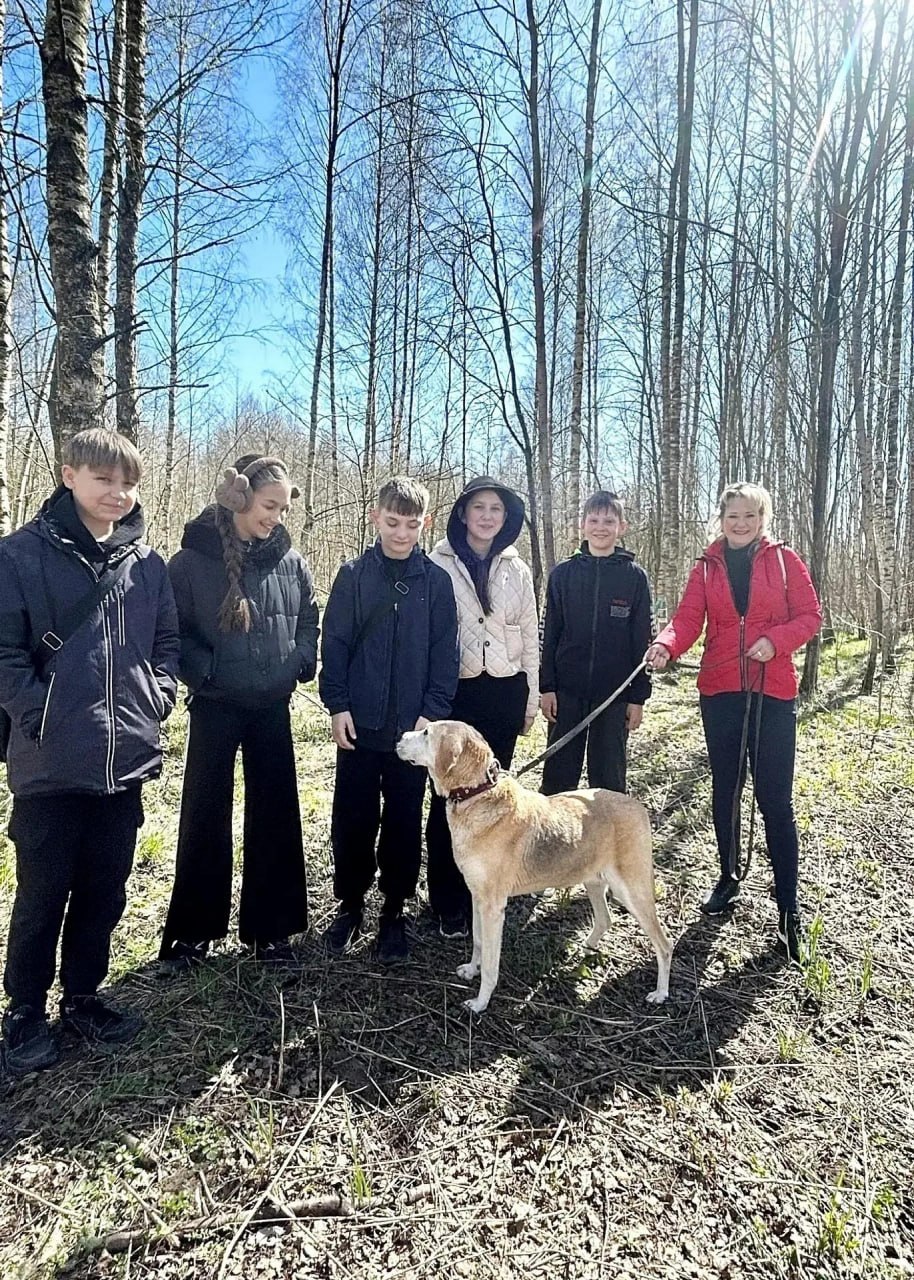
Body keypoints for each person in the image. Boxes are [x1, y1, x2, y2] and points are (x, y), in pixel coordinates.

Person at [0, 428, 180, 1075]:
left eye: (128, 482)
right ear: (68, 474)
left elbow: (166, 643)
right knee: (42, 894)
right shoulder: (19, 556)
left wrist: (158, 697)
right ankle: (24, 1011)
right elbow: (4, 653)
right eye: (104, 479)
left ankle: (82, 997)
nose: (117, 493)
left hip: (123, 764)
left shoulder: (148, 564)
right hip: (50, 765)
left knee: (105, 891)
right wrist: (40, 713)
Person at [645, 481, 821, 963]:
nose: (740, 524)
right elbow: (687, 619)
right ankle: (728, 876)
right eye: (732, 516)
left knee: (775, 800)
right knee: (726, 788)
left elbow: (810, 616)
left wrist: (775, 641)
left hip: (773, 690)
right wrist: (665, 644)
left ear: (763, 519)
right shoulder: (706, 567)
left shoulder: (785, 561)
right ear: (720, 520)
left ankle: (789, 909)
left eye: (749, 516)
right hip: (720, 690)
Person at [159, 455, 318, 969]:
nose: (277, 517)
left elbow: (309, 619)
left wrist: (298, 661)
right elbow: (172, 631)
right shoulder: (189, 562)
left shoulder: (291, 562)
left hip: (271, 705)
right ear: (241, 498)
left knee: (276, 814)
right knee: (204, 815)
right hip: (215, 705)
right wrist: (205, 674)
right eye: (270, 506)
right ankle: (192, 933)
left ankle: (271, 932)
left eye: (283, 509)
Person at [319, 476, 459, 963]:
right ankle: (350, 904)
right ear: (376, 517)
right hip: (359, 725)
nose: (402, 533)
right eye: (393, 522)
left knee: (403, 820)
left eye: (412, 524)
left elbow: (445, 655)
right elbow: (335, 644)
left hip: (411, 732)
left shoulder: (436, 583)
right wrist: (337, 704)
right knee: (352, 818)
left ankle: (395, 909)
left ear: (426, 523)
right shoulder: (353, 575)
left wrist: (430, 716)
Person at [424, 477, 539, 936]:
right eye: (479, 507)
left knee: (494, 800)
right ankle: (445, 901)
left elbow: (530, 636)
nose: (487, 516)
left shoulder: (518, 569)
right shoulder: (437, 563)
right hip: (455, 694)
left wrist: (530, 698)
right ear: (463, 514)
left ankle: (488, 892)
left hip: (505, 693)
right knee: (449, 798)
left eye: (496, 509)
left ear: (506, 518)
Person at [539, 490, 652, 798]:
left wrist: (638, 698)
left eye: (609, 521)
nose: (601, 527)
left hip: (614, 696)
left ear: (622, 527)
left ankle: (608, 830)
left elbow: (643, 641)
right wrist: (547, 687)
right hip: (566, 693)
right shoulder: (563, 574)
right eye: (594, 520)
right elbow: (549, 634)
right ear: (582, 525)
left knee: (608, 782)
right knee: (558, 778)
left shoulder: (634, 578)